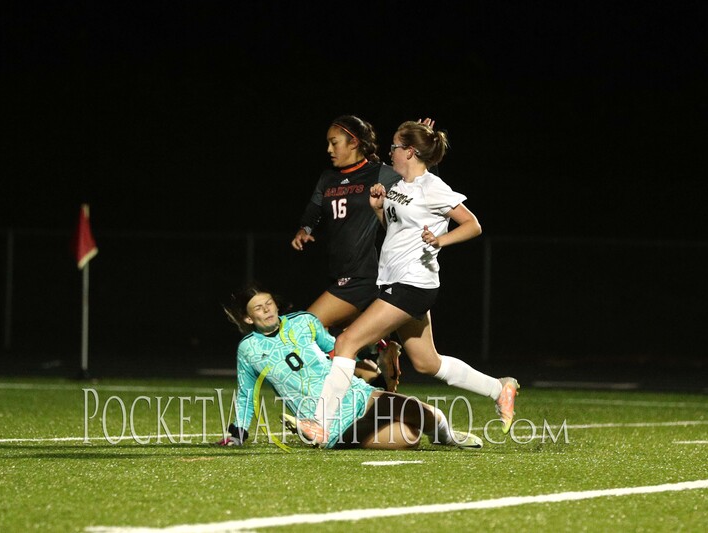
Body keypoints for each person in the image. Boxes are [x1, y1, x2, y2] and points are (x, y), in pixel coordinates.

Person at [300, 120, 520, 446]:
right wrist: (378, 208)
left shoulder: (433, 187)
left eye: (395, 147)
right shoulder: (399, 186)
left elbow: (472, 225)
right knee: (426, 362)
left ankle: (321, 424)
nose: (390, 152)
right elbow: (393, 232)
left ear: (410, 151)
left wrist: (441, 241)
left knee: (347, 342)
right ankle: (498, 388)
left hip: (414, 285)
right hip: (394, 282)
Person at [217, 284, 483, 450]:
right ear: (247, 318)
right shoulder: (248, 349)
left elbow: (339, 350)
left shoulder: (303, 322)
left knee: (428, 416)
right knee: (407, 438)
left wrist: (374, 357)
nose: (267, 310)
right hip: (325, 419)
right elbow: (246, 394)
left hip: (357, 394)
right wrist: (238, 433)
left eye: (268, 303)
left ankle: (445, 438)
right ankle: (315, 433)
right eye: (258, 309)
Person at [290, 115, 415, 391]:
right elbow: (314, 209)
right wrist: (304, 228)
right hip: (340, 274)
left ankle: (365, 381)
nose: (329, 150)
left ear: (354, 142)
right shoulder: (328, 178)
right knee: (344, 341)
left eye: (334, 143)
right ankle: (382, 354)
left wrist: (425, 151)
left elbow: (418, 184)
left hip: (364, 275)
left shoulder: (380, 173)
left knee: (302, 333)